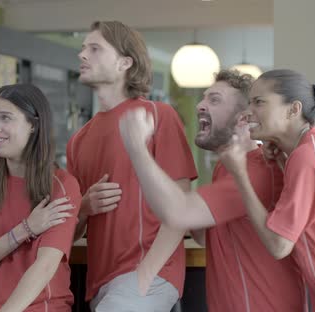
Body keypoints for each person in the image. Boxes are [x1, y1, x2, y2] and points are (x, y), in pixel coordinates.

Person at [118, 69, 306, 311]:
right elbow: (206, 237)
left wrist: (137, 148)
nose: (200, 106)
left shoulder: (257, 170)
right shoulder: (225, 169)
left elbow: (178, 213)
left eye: (214, 100)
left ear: (243, 118)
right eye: (204, 98)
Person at [67, 20, 197, 311]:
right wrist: (84, 207)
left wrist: (145, 275)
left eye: (95, 48)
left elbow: (181, 207)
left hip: (148, 277)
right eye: (83, 48)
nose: (82, 55)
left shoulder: (158, 116)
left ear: (125, 62)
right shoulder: (78, 139)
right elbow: (71, 229)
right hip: (101, 284)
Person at [219, 69, 315, 310]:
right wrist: (283, 160)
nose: (248, 112)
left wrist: (240, 175)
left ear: (293, 109)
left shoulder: (306, 157)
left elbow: (278, 245)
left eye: (259, 102)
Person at [0, 84, 80, 311]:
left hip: (38, 307)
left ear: (33, 124)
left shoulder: (62, 185)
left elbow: (45, 266)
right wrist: (25, 229)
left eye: (5, 118)